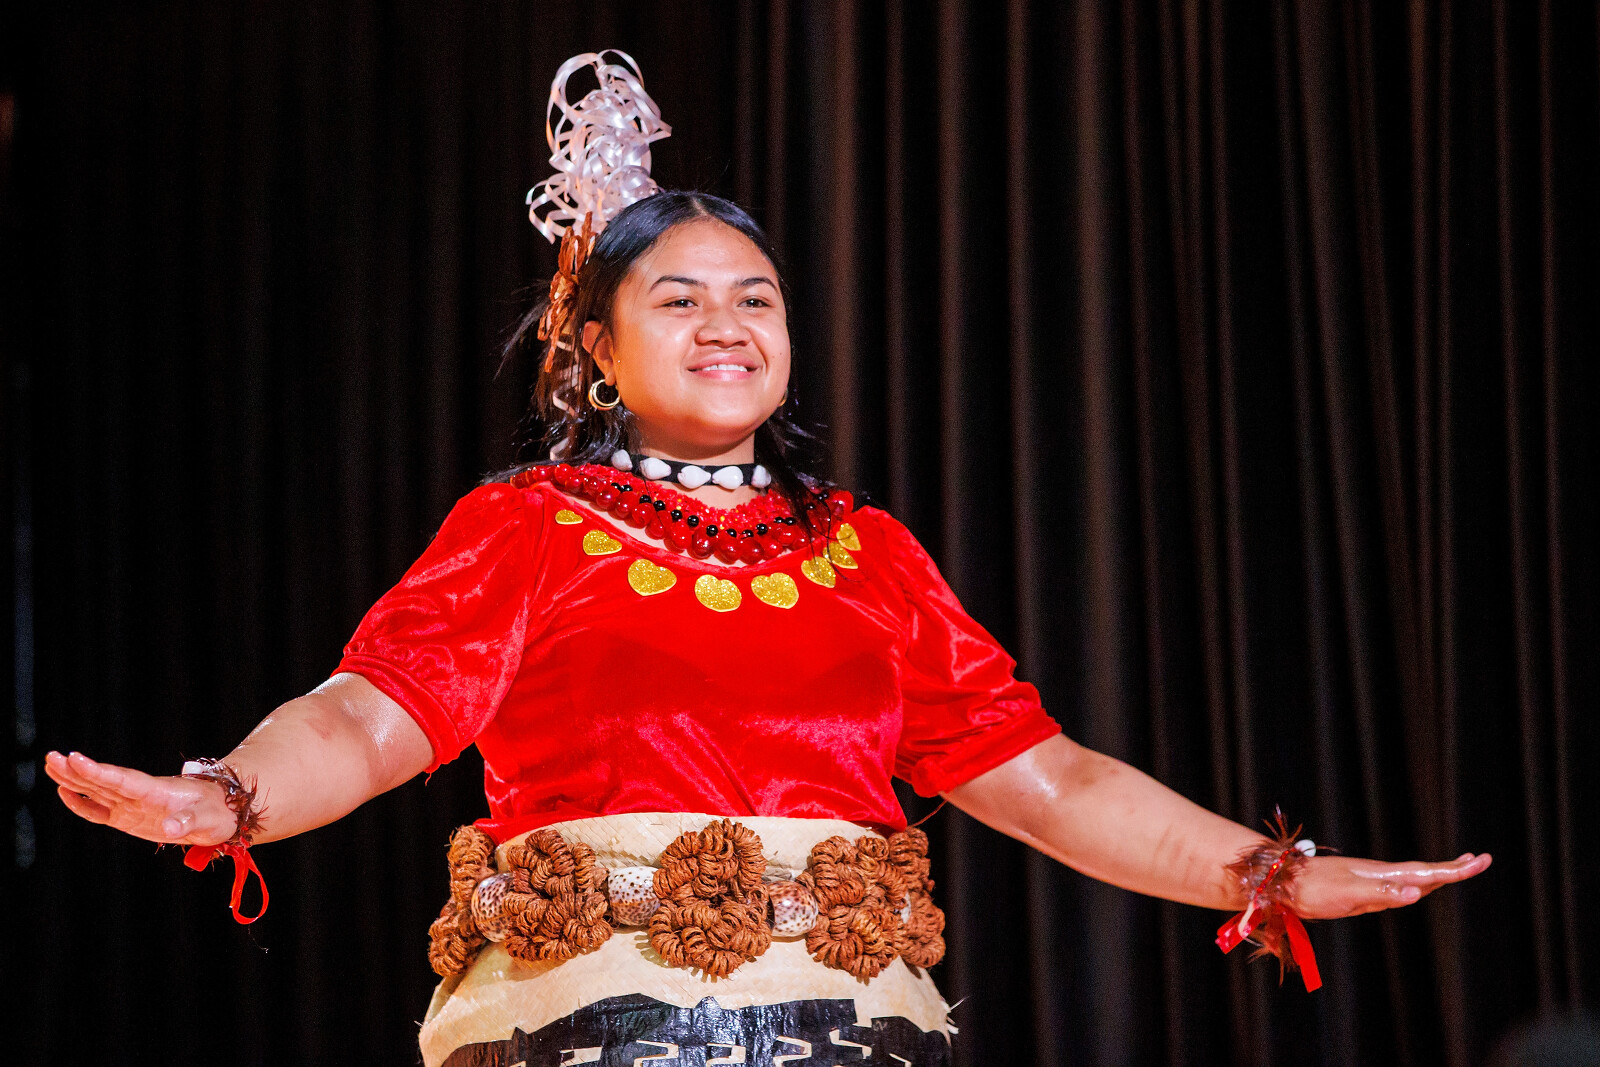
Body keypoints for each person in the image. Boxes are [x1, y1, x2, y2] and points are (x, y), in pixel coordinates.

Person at [44, 54, 1489, 1067]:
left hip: (858, 1036)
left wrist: (1261, 875)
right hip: (586, 1034)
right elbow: (370, 718)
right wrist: (227, 797)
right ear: (597, 346)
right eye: (679, 300)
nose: (727, 324)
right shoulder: (531, 527)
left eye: (758, 298)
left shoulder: (868, 553)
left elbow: (1043, 782)